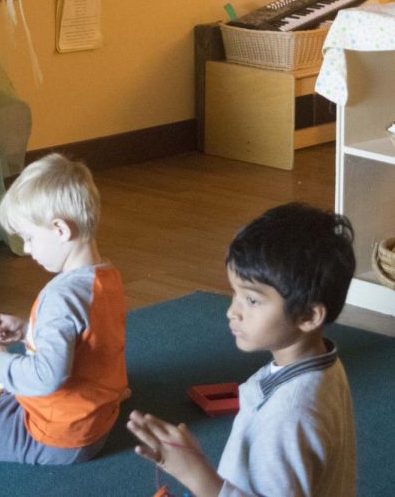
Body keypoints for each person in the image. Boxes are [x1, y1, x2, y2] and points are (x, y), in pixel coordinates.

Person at [127, 202, 357, 497]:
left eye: (251, 300)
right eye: (235, 293)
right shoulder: (323, 363)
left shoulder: (289, 416)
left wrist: (197, 476)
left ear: (309, 316)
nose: (232, 311)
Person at [0, 153, 128, 465]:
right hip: (95, 415)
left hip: (59, 437)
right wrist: (27, 331)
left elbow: (46, 378)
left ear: (60, 230)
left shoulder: (61, 297)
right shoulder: (105, 276)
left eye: (29, 238)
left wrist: (0, 358)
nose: (27, 249)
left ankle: (11, 411)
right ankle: (9, 397)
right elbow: (88, 338)